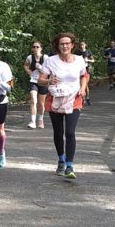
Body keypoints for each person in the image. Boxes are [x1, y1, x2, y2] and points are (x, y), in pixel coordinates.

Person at [38, 32, 88, 180]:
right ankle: (61, 160)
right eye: (62, 44)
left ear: (72, 45)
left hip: (74, 99)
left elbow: (84, 75)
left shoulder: (79, 60)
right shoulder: (50, 61)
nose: (65, 46)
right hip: (55, 99)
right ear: (58, 46)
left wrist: (83, 88)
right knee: (58, 132)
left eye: (67, 43)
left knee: (70, 132)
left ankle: (70, 165)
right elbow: (40, 80)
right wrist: (48, 81)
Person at [23, 41, 48, 128]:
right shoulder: (30, 57)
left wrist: (40, 68)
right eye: (34, 47)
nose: (35, 48)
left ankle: (40, 120)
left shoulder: (45, 58)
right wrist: (28, 71)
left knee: (41, 103)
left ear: (41, 48)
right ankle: (32, 121)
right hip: (33, 81)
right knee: (33, 99)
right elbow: (26, 65)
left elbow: (50, 69)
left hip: (43, 81)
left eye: (37, 47)